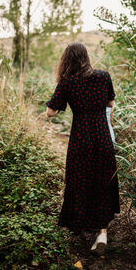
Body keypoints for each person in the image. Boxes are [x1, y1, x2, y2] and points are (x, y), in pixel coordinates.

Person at [46, 42, 120, 256]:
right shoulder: (103, 76)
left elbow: (51, 112)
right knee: (103, 180)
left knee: (80, 179)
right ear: (86, 57)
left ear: (67, 60)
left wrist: (51, 110)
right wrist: (108, 130)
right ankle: (102, 233)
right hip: (102, 136)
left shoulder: (67, 83)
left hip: (81, 139)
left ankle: (80, 222)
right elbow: (110, 105)